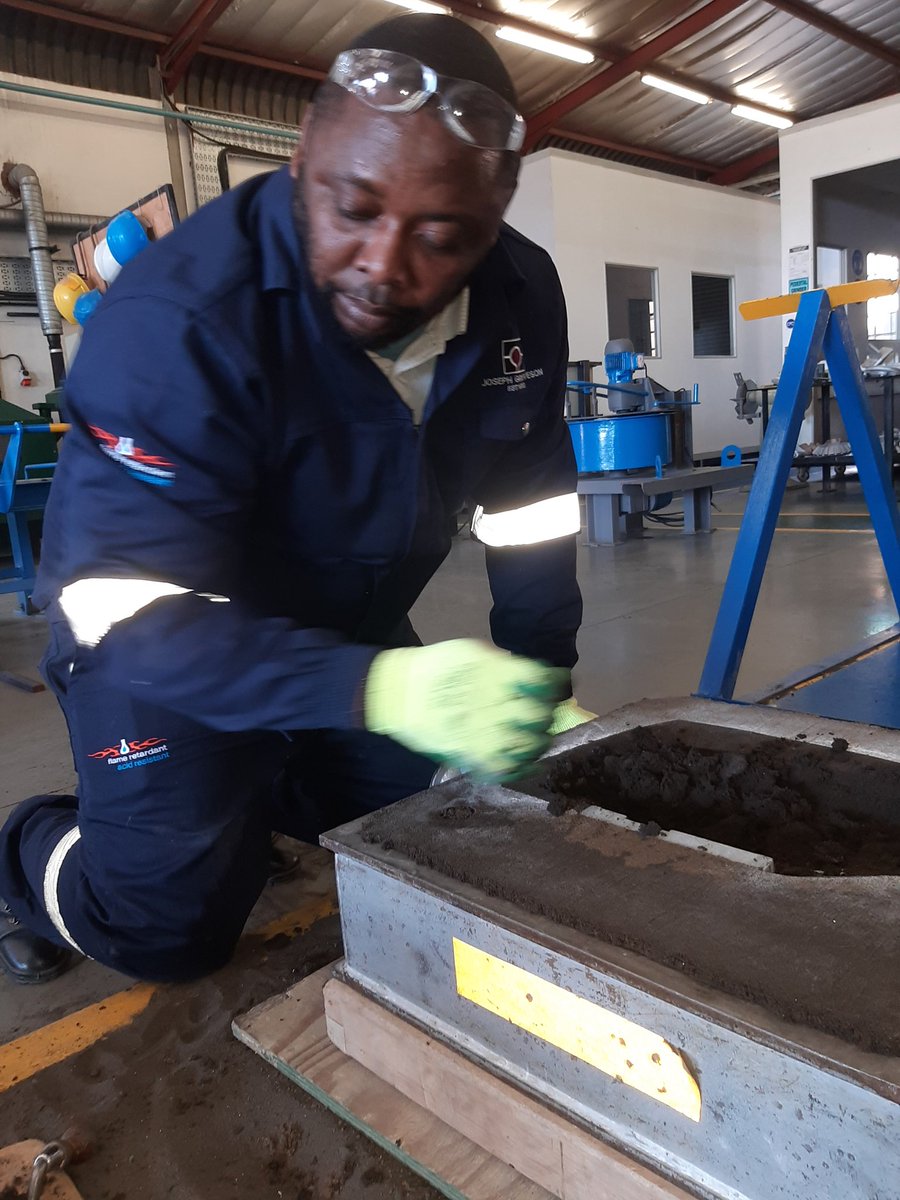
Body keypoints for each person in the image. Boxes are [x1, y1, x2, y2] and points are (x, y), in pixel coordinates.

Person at [0, 12, 590, 986]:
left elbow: (531, 503)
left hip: (336, 628)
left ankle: (264, 783)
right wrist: (382, 689)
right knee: (166, 930)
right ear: (304, 159)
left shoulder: (523, 296)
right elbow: (128, 617)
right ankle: (30, 852)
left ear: (498, 211)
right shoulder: (180, 323)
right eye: (350, 207)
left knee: (464, 823)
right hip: (157, 643)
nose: (383, 263)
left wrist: (541, 688)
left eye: (442, 236)